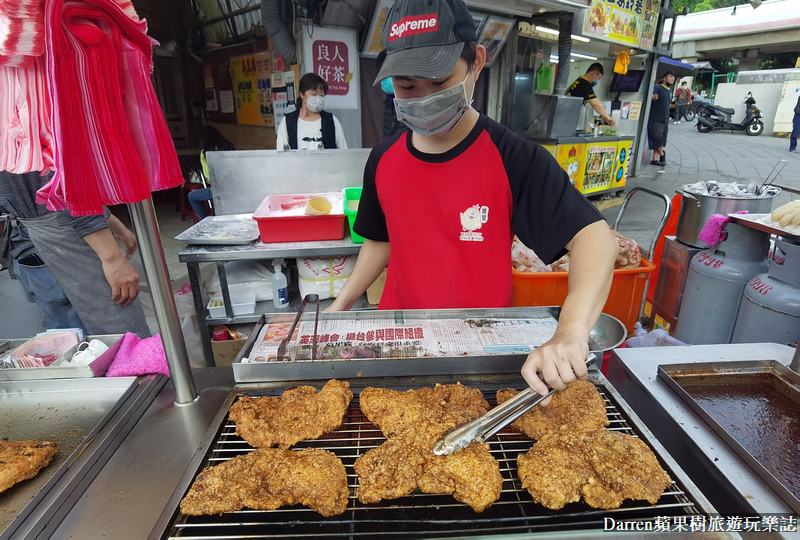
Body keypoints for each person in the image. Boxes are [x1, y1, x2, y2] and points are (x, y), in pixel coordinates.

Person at [327, 0, 618, 401]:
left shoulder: (513, 157)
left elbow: (595, 239)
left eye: (441, 81)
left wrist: (570, 332)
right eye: (408, 86)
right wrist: (340, 306)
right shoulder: (383, 159)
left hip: (482, 351)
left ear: (476, 62)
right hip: (399, 340)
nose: (424, 97)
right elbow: (381, 238)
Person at [0, 171, 150, 337]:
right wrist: (112, 259)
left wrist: (116, 226)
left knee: (72, 336)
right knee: (117, 339)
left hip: (32, 243)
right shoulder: (29, 145)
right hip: (63, 242)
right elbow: (70, 189)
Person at [275, 74, 348, 150]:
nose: (318, 98)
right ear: (302, 94)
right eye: (314, 94)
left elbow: (344, 153)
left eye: (321, 95)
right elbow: (281, 155)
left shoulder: (331, 121)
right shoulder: (288, 122)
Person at [188, 126, 236, 220]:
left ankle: (206, 221)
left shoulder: (205, 153)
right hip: (236, 188)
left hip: (219, 190)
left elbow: (208, 175)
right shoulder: (230, 148)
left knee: (192, 196)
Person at [648, 71, 674, 167]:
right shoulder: (658, 88)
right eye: (670, 76)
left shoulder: (670, 91)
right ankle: (662, 154)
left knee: (662, 140)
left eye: (673, 77)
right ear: (664, 78)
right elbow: (650, 96)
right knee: (656, 137)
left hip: (665, 118)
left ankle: (655, 159)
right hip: (655, 118)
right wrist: (653, 97)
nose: (672, 79)